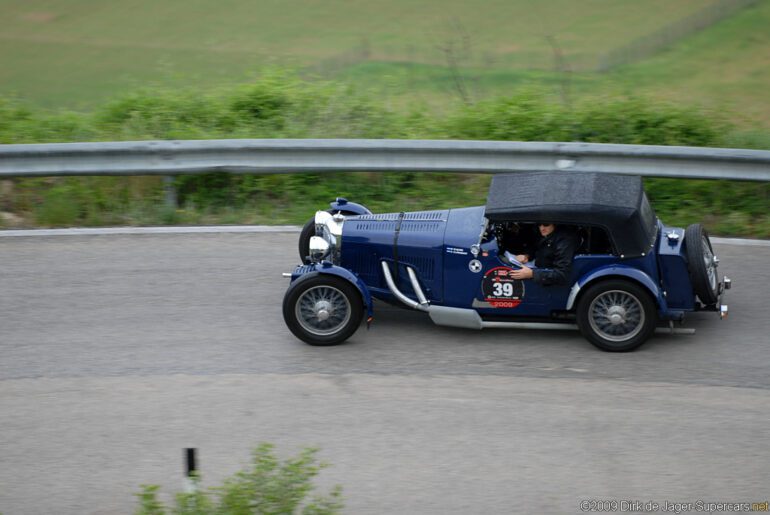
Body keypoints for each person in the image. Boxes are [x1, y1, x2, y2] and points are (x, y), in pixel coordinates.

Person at [509, 223, 577, 286]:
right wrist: (527, 255)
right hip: (539, 269)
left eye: (546, 224)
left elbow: (562, 275)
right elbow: (536, 247)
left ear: (555, 224)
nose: (542, 228)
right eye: (539, 224)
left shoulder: (564, 241)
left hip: (549, 284)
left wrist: (532, 274)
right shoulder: (546, 234)